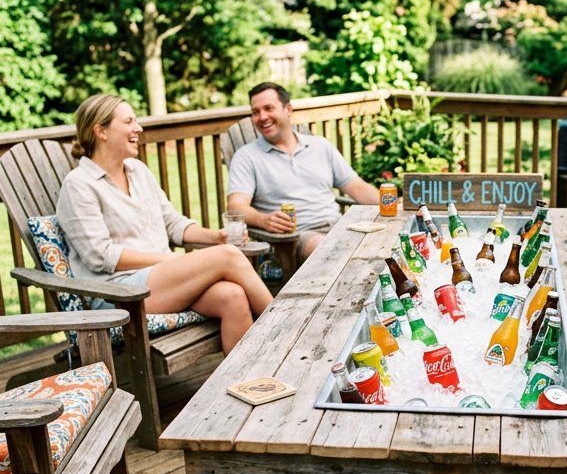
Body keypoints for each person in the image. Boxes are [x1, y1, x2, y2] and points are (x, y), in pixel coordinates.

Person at [56, 94, 273, 353]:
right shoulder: (79, 184)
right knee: (228, 256)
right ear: (101, 131)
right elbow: (100, 256)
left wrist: (215, 237)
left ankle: (249, 375)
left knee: (232, 296)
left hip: (160, 282)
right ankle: (284, 325)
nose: (138, 128)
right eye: (128, 122)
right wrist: (169, 260)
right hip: (117, 294)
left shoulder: (138, 171)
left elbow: (172, 223)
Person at [226, 82, 380, 261]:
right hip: (296, 238)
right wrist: (264, 220)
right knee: (331, 249)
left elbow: (356, 186)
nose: (262, 117)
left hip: (340, 227)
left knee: (382, 243)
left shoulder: (320, 146)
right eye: (255, 112)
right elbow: (235, 207)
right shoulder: (246, 156)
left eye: (268, 108)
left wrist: (394, 205)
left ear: (288, 109)